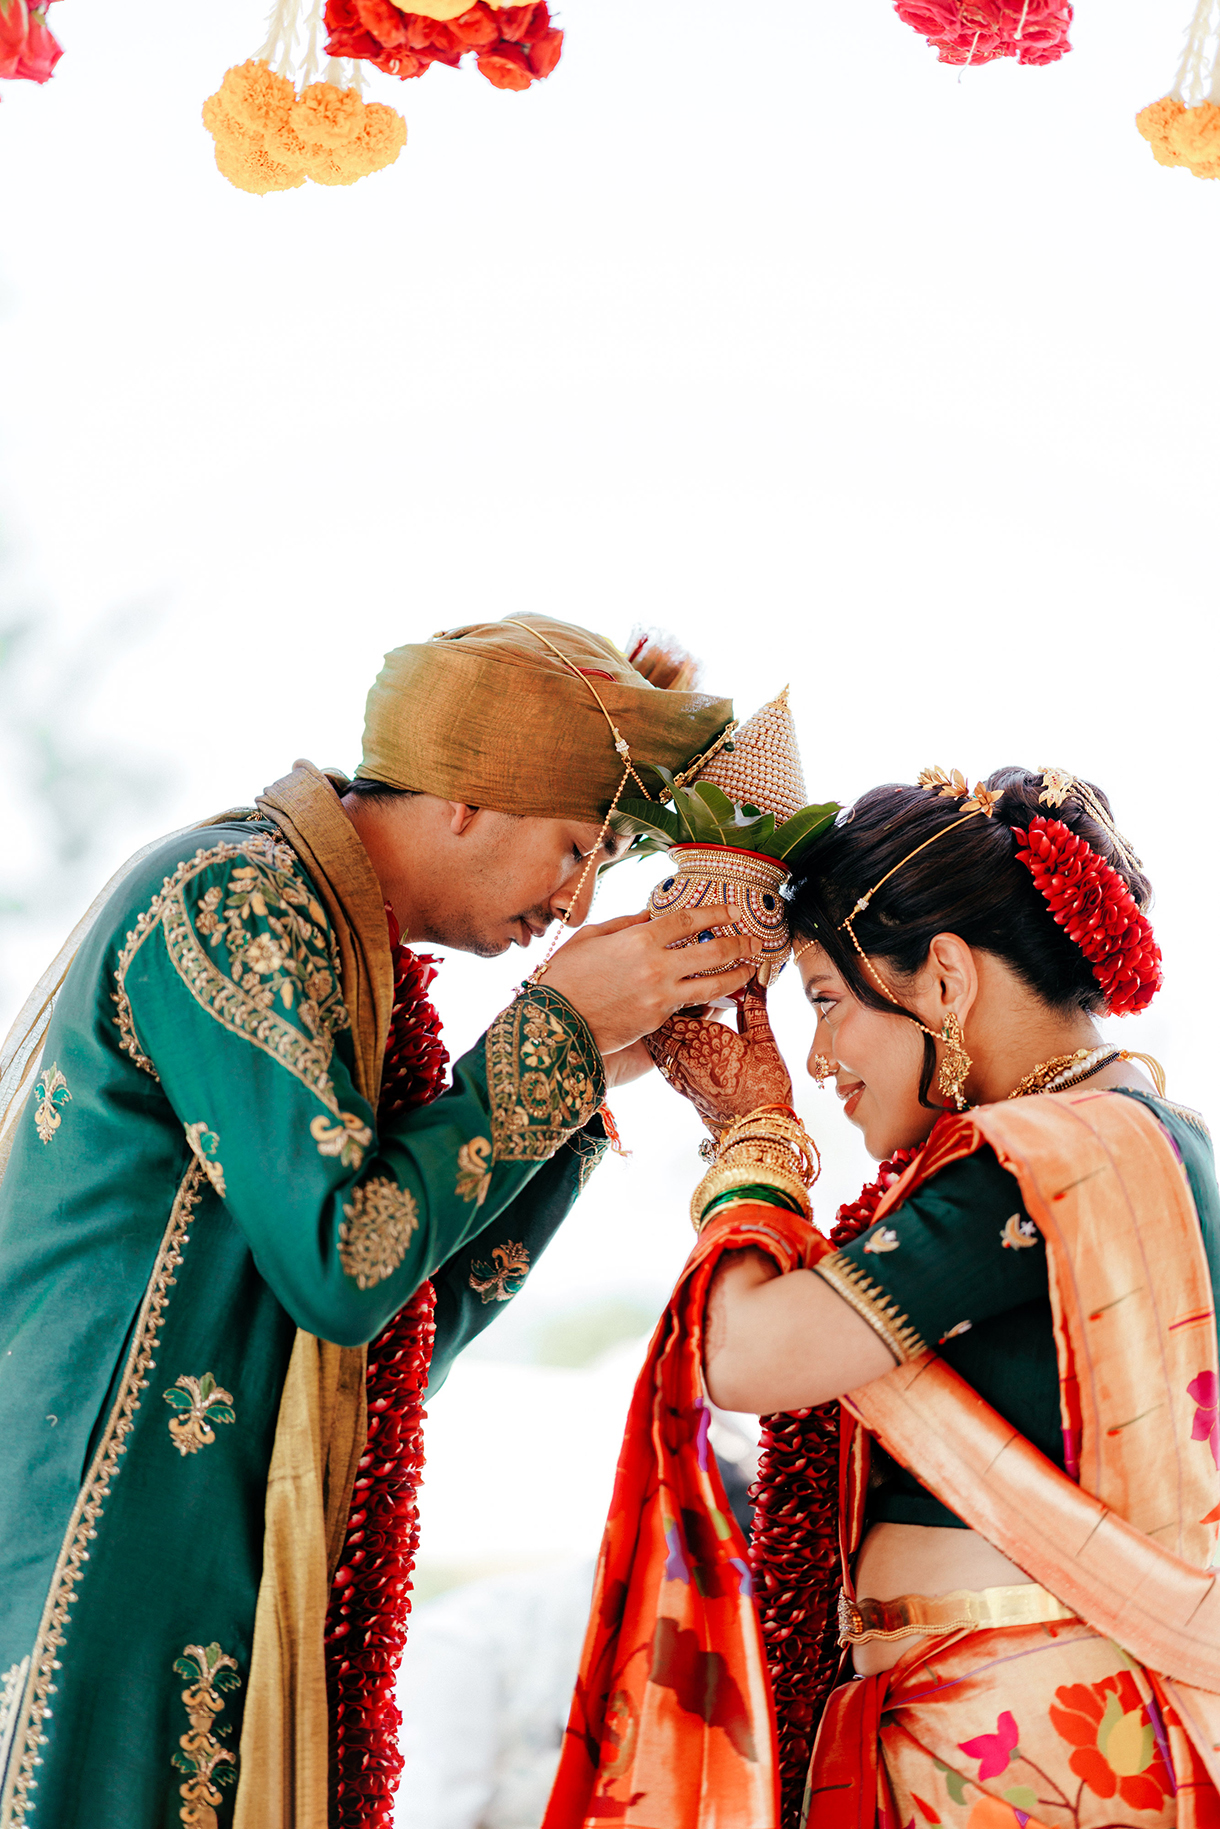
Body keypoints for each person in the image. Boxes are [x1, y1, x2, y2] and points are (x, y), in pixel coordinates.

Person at [0, 614, 765, 1829]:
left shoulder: (339, 959)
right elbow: (346, 1264)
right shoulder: (232, 896)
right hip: (103, 1561)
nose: (571, 903)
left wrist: (580, 1080)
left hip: (210, 1563)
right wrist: (549, 1034)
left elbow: (405, 1334)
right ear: (467, 799)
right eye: (573, 849)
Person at [543, 764, 1220, 1829]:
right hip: (1075, 1721)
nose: (814, 1058)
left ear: (944, 979)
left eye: (822, 1000)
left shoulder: (1034, 1158)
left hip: (1012, 1741)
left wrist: (751, 1136)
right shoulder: (1149, 1129)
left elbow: (750, 1354)